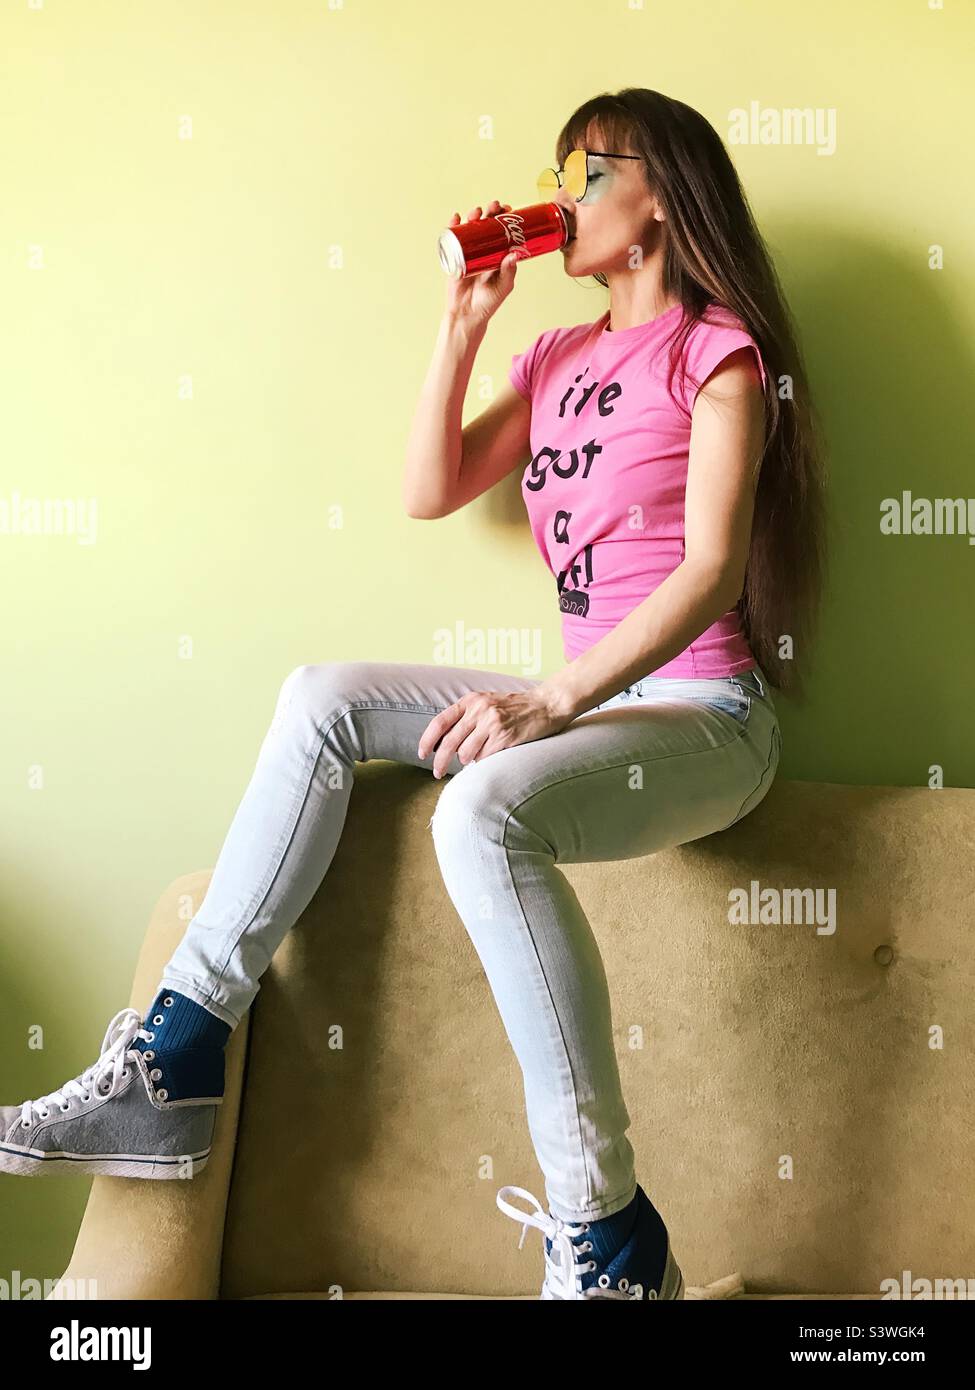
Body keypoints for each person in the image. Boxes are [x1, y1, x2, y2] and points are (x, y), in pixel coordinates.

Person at [1, 87, 826, 1301]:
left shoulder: (718, 354)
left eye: (589, 174)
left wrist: (550, 702)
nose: (563, 199)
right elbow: (429, 488)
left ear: (664, 192)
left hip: (706, 720)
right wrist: (461, 320)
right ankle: (173, 1063)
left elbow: (708, 571)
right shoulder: (556, 357)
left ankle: (607, 1238)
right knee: (323, 696)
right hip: (596, 707)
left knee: (478, 811)